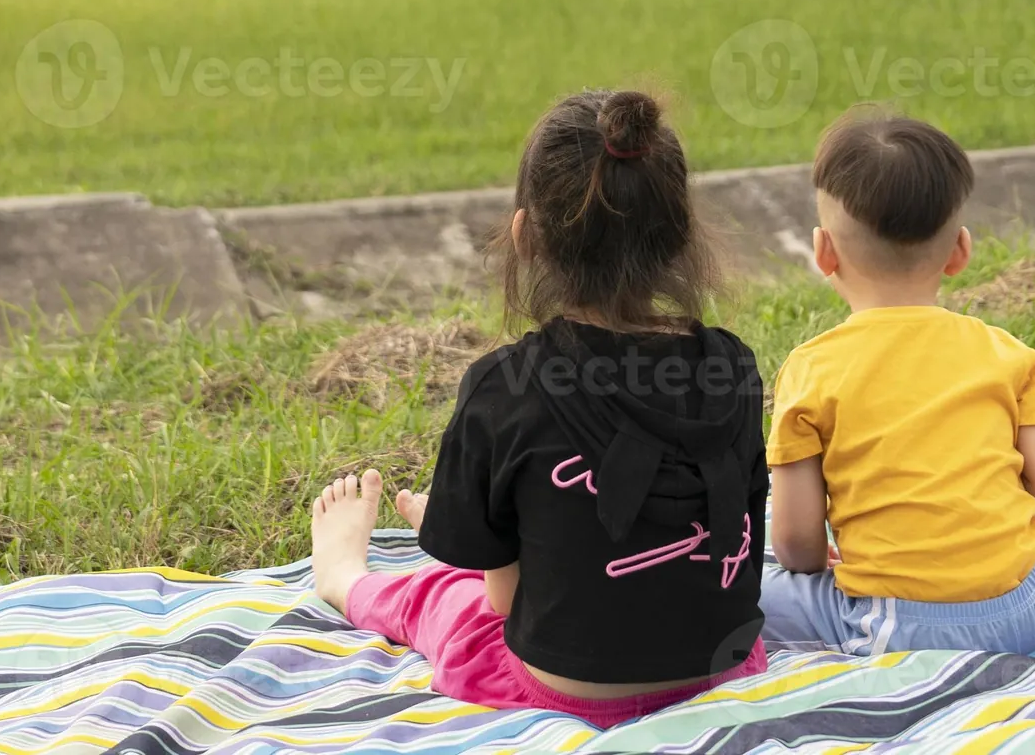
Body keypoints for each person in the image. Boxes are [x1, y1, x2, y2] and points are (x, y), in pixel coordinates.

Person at [309, 90, 771, 726]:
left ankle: (344, 575)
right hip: (726, 670)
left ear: (524, 236)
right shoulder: (734, 367)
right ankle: (472, 521)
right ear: (681, 233)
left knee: (451, 599)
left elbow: (504, 604)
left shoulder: (504, 386)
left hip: (563, 691)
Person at [760, 109, 1035, 656]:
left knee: (751, 572)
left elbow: (799, 545)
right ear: (961, 251)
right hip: (1034, 612)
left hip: (890, 628)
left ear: (823, 252)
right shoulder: (1005, 353)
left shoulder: (810, 369)